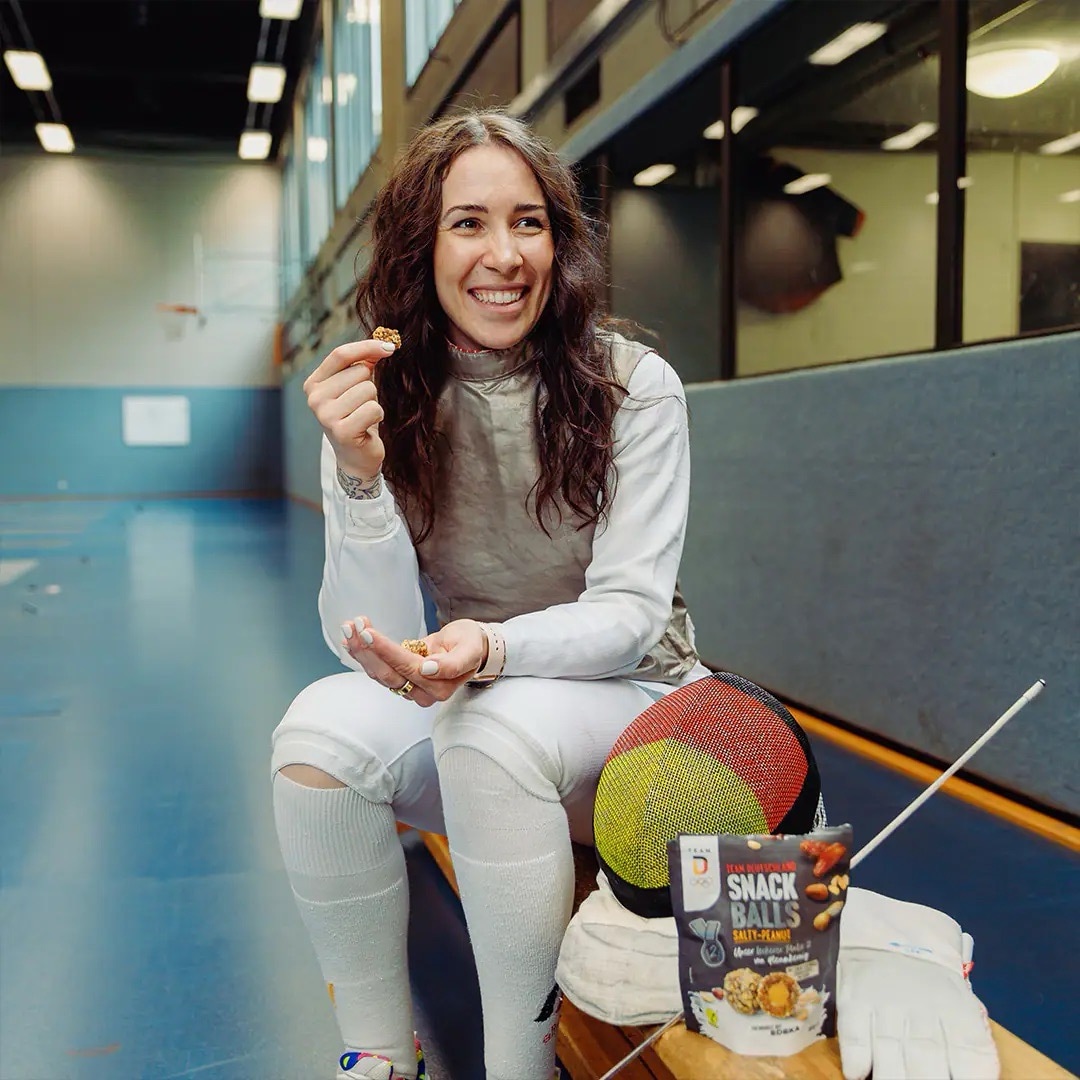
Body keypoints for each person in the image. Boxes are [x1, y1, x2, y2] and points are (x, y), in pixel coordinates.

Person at [270, 109, 711, 1080]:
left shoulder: (633, 385)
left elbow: (632, 616)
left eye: (529, 222)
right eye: (468, 223)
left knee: (487, 728)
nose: (502, 254)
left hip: (636, 719)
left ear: (560, 241)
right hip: (488, 710)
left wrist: (485, 650)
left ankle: (523, 1065)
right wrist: (357, 473)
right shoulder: (377, 395)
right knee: (314, 737)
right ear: (421, 245)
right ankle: (382, 1055)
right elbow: (369, 639)